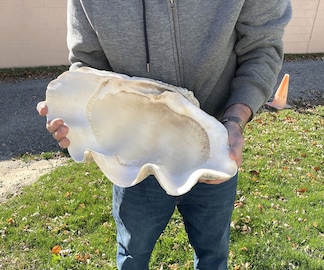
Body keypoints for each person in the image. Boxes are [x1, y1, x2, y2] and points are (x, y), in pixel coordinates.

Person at [37, 1, 292, 269]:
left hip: (215, 146)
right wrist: (72, 112)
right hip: (134, 156)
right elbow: (87, 62)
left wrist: (235, 118)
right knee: (132, 255)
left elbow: (262, 46)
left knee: (213, 256)